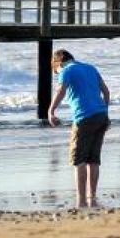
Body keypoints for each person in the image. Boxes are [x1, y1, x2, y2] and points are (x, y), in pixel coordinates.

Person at [47, 49, 110, 208]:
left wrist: (51, 110)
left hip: (84, 117)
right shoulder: (90, 67)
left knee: (78, 160)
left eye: (55, 70)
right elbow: (106, 91)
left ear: (58, 62)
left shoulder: (66, 70)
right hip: (101, 115)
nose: (56, 73)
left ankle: (81, 199)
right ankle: (92, 196)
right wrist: (105, 111)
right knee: (93, 159)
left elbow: (61, 91)